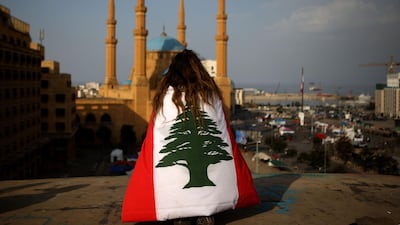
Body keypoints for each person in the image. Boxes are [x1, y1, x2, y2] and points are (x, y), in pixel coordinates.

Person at [122, 49, 259, 225]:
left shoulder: (165, 99)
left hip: (172, 191)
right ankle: (205, 211)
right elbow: (225, 136)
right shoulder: (211, 97)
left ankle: (182, 212)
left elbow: (153, 140)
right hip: (215, 192)